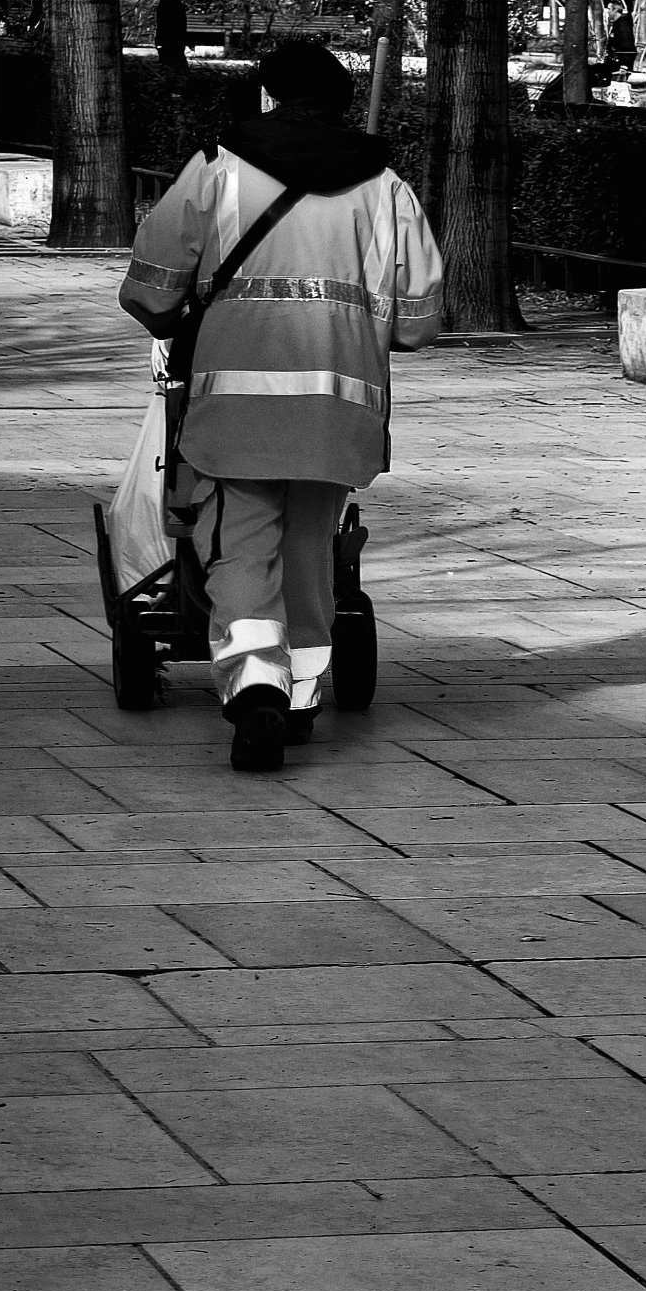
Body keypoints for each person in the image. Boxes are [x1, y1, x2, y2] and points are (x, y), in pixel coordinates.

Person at [118, 41, 444, 771]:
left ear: (267, 95)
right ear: (341, 104)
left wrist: (180, 311)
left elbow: (150, 288)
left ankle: (256, 683)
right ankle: (300, 694)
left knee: (241, 545)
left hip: (235, 410)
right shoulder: (385, 185)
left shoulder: (217, 168)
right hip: (338, 409)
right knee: (310, 548)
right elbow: (419, 320)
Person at [155, 0, 188, 68]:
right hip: (169, 44)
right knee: (175, 70)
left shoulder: (177, 2)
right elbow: (162, 24)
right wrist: (160, 43)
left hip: (176, 43)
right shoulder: (167, 3)